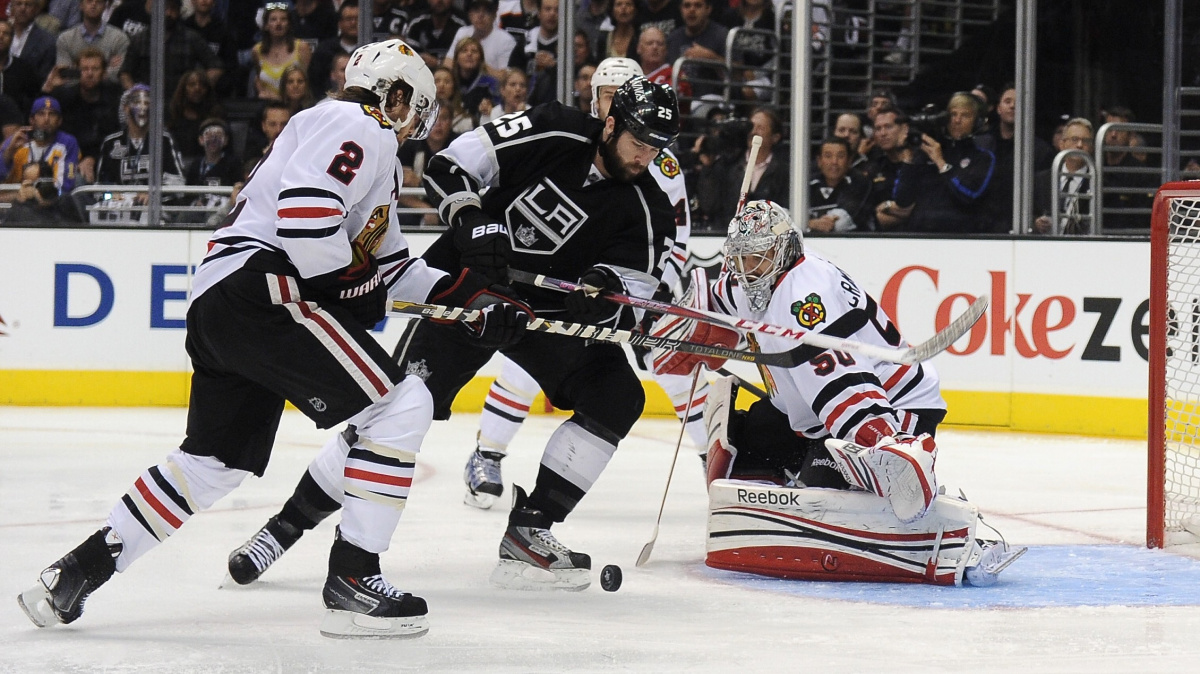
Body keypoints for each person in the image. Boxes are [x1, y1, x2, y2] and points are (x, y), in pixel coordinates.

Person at [18, 37, 526, 640]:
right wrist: (356, 286)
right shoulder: (358, 124)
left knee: (212, 464)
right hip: (264, 290)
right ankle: (354, 581)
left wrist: (471, 301)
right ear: (392, 96)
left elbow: (390, 269)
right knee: (403, 402)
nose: (419, 120)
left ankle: (76, 571)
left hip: (223, 298)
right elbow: (308, 226)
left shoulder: (367, 153)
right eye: (416, 105)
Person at [226, 76, 680, 591]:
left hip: (539, 318)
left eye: (655, 148)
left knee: (617, 396)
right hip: (465, 290)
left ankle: (531, 529)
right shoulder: (554, 129)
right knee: (398, 408)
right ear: (611, 124)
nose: (645, 157)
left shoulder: (649, 209)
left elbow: (630, 297)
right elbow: (449, 166)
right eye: (638, 142)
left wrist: (603, 292)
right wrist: (470, 219)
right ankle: (284, 528)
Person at [665, 200, 1023, 586]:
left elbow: (838, 380)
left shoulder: (804, 297)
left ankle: (949, 528)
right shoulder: (759, 278)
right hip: (813, 415)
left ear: (783, 250)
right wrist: (678, 319)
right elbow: (718, 296)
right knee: (743, 448)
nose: (748, 268)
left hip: (890, 407)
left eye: (758, 257)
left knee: (822, 503)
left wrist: (880, 440)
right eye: (741, 258)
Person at [458, 57, 706, 509]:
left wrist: (646, 297)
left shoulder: (658, 162)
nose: (614, 102)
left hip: (624, 287)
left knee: (674, 371)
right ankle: (487, 454)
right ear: (597, 100)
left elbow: (674, 237)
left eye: (622, 93)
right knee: (522, 366)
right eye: (608, 94)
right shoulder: (568, 140)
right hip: (558, 289)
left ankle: (716, 464)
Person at [892, 92, 996, 233]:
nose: (957, 120)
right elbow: (902, 200)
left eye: (965, 116)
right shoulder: (927, 151)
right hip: (920, 234)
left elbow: (968, 196)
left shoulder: (983, 157)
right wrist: (908, 160)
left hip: (959, 236)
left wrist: (941, 163)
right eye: (953, 114)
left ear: (977, 122)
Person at [977, 85, 1053, 232]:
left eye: (1018, 103)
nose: (1012, 106)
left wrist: (1033, 219)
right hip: (983, 227)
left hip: (1021, 228)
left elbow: (1043, 193)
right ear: (998, 108)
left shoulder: (1040, 150)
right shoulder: (981, 144)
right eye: (1007, 101)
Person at [96, 84, 185, 200]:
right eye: (137, 102)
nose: (142, 108)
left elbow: (178, 184)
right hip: (119, 207)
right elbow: (99, 190)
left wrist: (154, 195)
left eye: (147, 103)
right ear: (126, 107)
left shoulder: (164, 140)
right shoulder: (110, 143)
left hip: (155, 208)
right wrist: (112, 196)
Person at [120, 0, 223, 97]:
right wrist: (135, 93)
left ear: (179, 11)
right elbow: (125, 73)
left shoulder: (192, 38)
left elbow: (216, 67)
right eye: (165, 8)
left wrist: (198, 88)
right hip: (148, 100)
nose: (169, 13)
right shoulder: (140, 39)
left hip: (181, 101)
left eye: (173, 9)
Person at [0, 96, 80, 197]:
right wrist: (9, 152)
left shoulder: (68, 142)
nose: (46, 119)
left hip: (51, 201)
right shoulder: (18, 139)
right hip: (14, 202)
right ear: (32, 120)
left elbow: (66, 186)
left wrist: (36, 195)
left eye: (52, 114)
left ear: (59, 120)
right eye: (41, 114)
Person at [1033, 117, 1094, 235]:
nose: (1080, 145)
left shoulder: (1099, 183)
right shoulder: (1041, 179)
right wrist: (1036, 223)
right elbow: (1028, 213)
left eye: (1085, 141)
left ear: (1091, 148)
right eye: (1074, 139)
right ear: (1062, 144)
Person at [54, 0, 129, 85]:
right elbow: (65, 75)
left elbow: (118, 75)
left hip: (108, 91)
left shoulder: (119, 38)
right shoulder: (65, 39)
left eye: (99, 2)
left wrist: (77, 70)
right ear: (81, 5)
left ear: (105, 6)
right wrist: (106, 69)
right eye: (89, 1)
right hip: (74, 92)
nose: (94, 4)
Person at [806, 136, 870, 232]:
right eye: (828, 156)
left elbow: (842, 222)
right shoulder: (806, 184)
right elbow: (786, 216)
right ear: (819, 161)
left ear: (849, 161)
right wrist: (811, 223)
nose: (834, 162)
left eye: (840, 156)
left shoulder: (860, 183)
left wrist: (809, 223)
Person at [866, 105, 915, 231]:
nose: (883, 133)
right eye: (878, 128)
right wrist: (906, 214)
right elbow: (871, 217)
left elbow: (923, 210)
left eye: (888, 127)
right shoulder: (874, 168)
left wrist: (886, 207)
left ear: (904, 129)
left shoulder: (922, 162)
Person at [252, 3, 314, 101]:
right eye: (273, 19)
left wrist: (279, 98)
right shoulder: (257, 50)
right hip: (268, 105)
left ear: (289, 24)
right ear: (266, 25)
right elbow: (258, 77)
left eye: (283, 19)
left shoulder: (302, 47)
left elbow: (308, 82)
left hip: (296, 105)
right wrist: (261, 91)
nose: (278, 23)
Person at [665, 0, 726, 97]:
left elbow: (737, 75)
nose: (692, 10)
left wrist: (711, 58)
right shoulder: (672, 39)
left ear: (708, 9)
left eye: (698, 5)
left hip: (711, 98)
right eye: (687, 6)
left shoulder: (722, 35)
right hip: (679, 97)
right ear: (681, 9)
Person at [167, 69, 225, 167]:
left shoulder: (216, 114)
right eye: (192, 85)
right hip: (176, 164)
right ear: (184, 89)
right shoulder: (173, 113)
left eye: (202, 85)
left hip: (206, 165)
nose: (197, 88)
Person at [446, 0, 516, 74]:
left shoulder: (506, 41)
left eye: (487, 11)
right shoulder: (462, 32)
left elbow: (504, 77)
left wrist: (478, 63)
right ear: (469, 14)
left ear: (494, 15)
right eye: (476, 10)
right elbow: (447, 64)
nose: (480, 15)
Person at [309, 0, 359, 94]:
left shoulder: (371, 51)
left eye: (357, 19)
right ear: (340, 23)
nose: (353, 23)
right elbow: (315, 83)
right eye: (349, 19)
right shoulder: (324, 51)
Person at [404, 0, 467, 70]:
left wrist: (438, 63)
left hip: (452, 72)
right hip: (420, 70)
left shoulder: (462, 25)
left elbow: (466, 58)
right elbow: (406, 52)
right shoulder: (417, 22)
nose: (439, 1)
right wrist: (420, 59)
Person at [0, 21, 43, 112]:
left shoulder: (24, 69)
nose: (1, 36)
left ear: (12, 39)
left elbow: (33, 99)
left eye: (6, 33)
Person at [10, 0, 57, 81]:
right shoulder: (2, 33)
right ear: (12, 8)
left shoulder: (47, 42)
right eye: (18, 4)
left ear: (36, 10)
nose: (23, 8)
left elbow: (44, 78)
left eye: (28, 5)